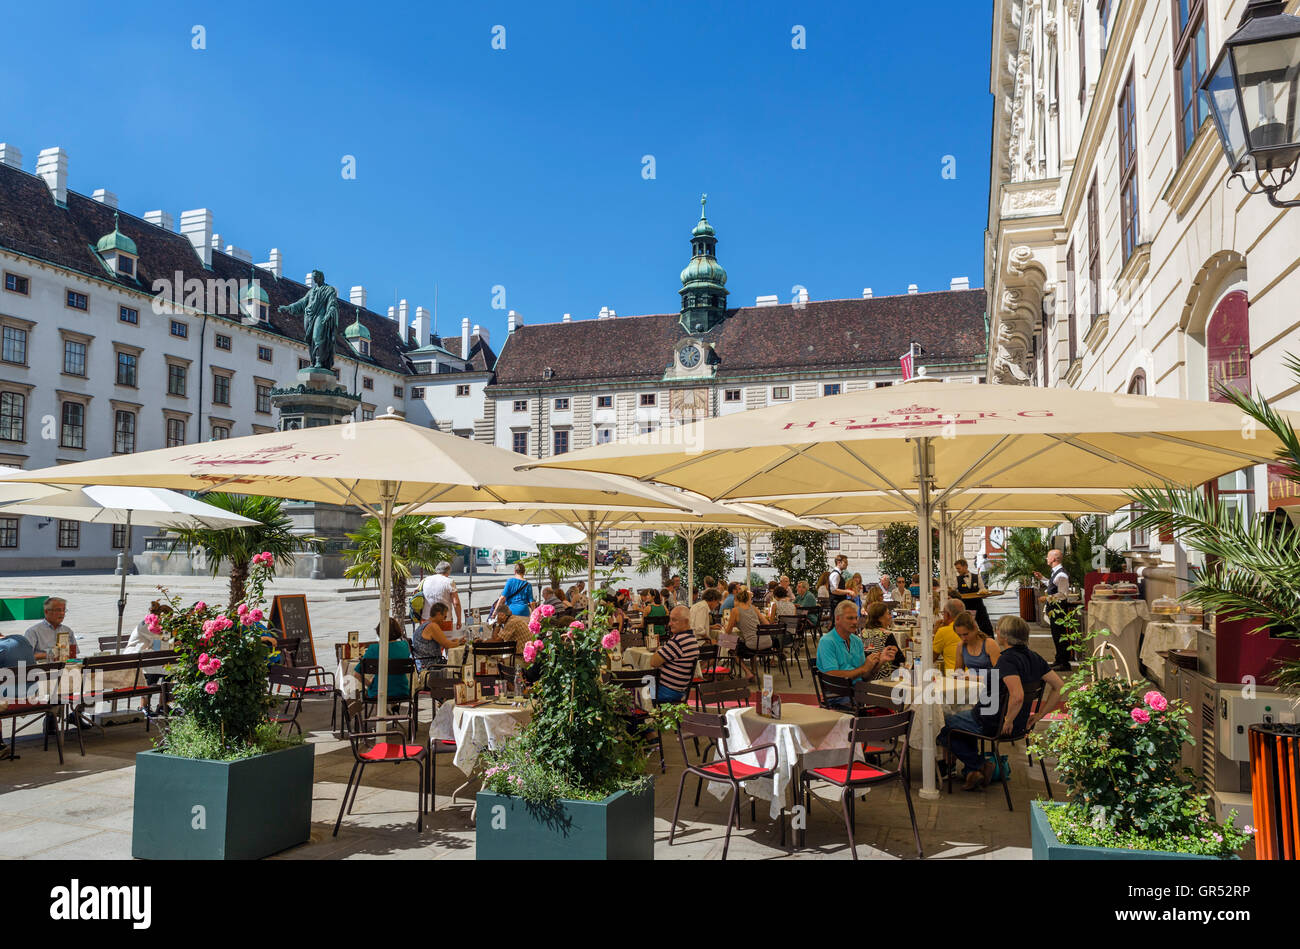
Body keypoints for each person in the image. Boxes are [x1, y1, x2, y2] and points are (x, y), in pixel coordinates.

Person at [943, 616, 1064, 790]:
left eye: (998, 629)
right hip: (1021, 723)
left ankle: (979, 765)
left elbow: (1018, 695)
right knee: (958, 728)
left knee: (943, 725)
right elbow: (1059, 686)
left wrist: (1008, 719)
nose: (996, 631)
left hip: (992, 721)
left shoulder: (1007, 660)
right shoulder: (1034, 657)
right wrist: (1038, 715)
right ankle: (973, 771)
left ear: (1004, 637)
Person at [815, 601, 898, 707]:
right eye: (850, 618)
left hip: (858, 691)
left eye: (856, 618)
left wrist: (880, 662)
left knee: (898, 697)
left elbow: (864, 676)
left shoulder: (856, 641)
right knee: (889, 702)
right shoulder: (827, 641)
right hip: (837, 695)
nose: (855, 622)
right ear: (837, 619)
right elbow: (832, 675)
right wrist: (863, 668)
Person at [1033, 548, 1075, 671]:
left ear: (1053, 559)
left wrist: (1047, 598)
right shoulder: (1056, 572)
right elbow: (1052, 585)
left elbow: (1062, 594)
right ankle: (1059, 659)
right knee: (1056, 635)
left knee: (1060, 635)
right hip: (1054, 608)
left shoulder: (1061, 574)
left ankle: (1064, 663)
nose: (1046, 558)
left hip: (1059, 608)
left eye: (1048, 556)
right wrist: (1042, 578)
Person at [650, 606, 700, 704]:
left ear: (686, 622)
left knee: (636, 689)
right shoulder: (692, 639)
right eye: (670, 620)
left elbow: (653, 662)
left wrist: (659, 649)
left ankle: (644, 716)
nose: (669, 624)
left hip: (666, 691)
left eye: (674, 620)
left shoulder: (678, 641)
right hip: (680, 690)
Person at [360, 617, 412, 705]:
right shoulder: (405, 645)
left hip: (378, 693)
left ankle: (381, 715)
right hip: (402, 691)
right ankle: (394, 708)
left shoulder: (374, 648)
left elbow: (357, 674)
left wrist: (370, 685)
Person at [723, 587, 770, 683]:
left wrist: (724, 626)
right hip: (766, 641)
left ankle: (747, 672)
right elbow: (767, 624)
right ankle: (754, 672)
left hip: (753, 643)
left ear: (737, 600)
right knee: (750, 645)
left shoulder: (735, 610)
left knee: (728, 644)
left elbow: (728, 631)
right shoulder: (754, 608)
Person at [412, 602, 465, 669]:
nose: (444, 620)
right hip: (432, 665)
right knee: (461, 665)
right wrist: (459, 643)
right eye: (444, 617)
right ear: (439, 614)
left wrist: (454, 642)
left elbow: (442, 643)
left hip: (421, 664)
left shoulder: (423, 625)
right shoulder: (432, 626)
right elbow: (447, 645)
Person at [952, 557, 994, 637]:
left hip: (978, 605)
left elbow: (982, 589)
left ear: (965, 567)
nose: (958, 571)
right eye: (957, 569)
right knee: (965, 627)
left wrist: (984, 593)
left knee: (986, 625)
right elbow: (953, 591)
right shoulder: (956, 579)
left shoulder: (977, 577)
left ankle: (990, 641)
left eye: (959, 568)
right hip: (965, 607)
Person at [955, 611, 1000, 683]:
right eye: (959, 635)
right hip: (972, 686)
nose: (963, 638)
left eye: (966, 634)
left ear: (975, 629)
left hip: (990, 686)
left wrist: (975, 678)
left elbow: (999, 674)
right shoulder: (961, 646)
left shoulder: (989, 644)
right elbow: (958, 673)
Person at [421, 561, 462, 630]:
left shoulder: (426, 579)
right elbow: (456, 603)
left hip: (426, 619)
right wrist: (459, 620)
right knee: (445, 640)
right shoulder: (449, 582)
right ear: (448, 571)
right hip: (444, 620)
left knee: (426, 640)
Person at [932, 598, 965, 672]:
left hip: (954, 677)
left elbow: (931, 658)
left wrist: (935, 632)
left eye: (943, 613)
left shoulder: (943, 631)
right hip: (972, 675)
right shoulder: (971, 628)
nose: (943, 617)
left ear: (948, 615)